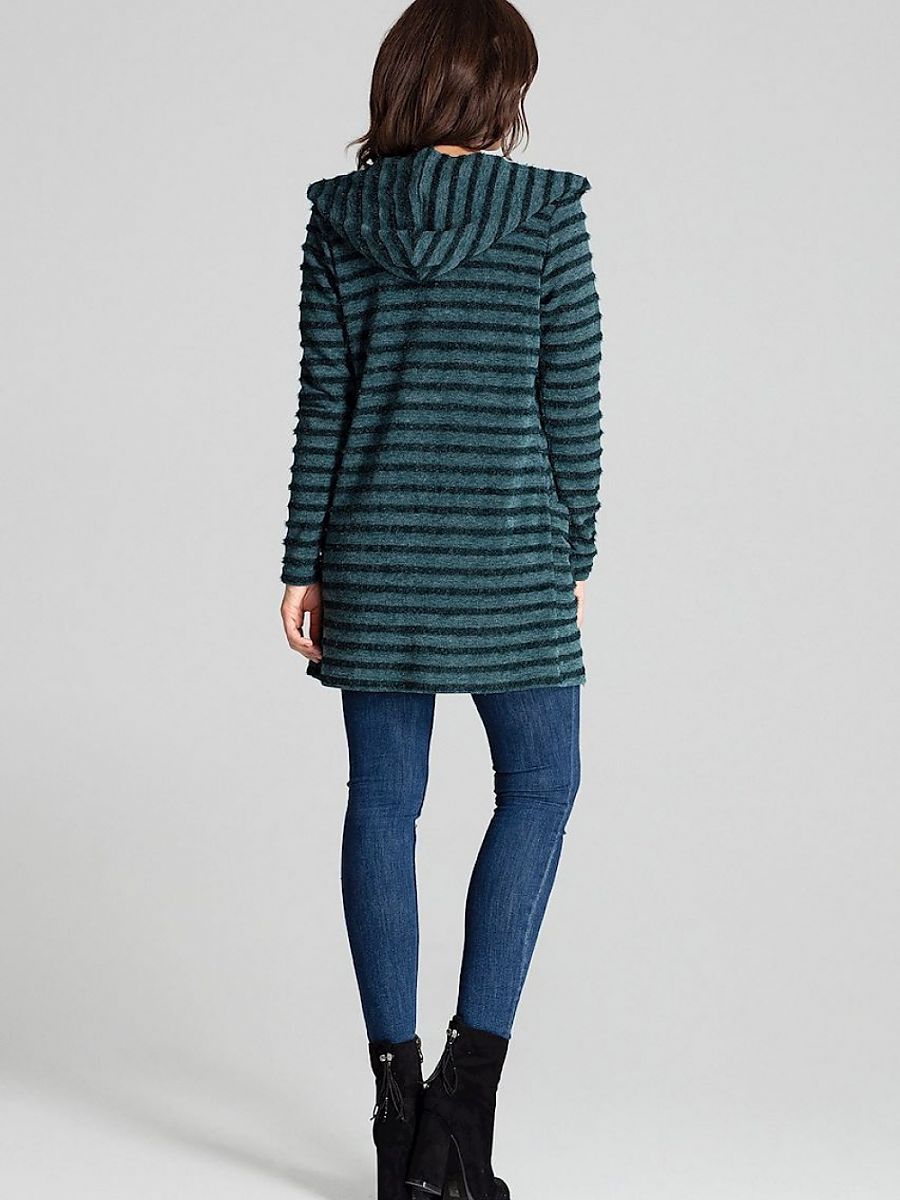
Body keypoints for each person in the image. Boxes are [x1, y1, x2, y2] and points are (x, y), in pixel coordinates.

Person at [279, 1, 603, 1196]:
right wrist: (577, 546)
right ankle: (461, 1121)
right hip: (510, 556)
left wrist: (304, 559)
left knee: (383, 805)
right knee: (541, 788)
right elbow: (571, 394)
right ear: (499, 91)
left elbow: (326, 399)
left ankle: (397, 1117)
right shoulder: (546, 217)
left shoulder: (341, 217)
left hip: (374, 553)